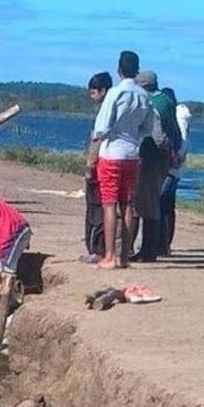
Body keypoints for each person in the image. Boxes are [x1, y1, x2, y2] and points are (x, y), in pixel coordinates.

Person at [91, 51, 154, 269]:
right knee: (127, 204)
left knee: (109, 204)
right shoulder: (144, 96)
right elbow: (148, 128)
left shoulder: (115, 93)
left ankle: (109, 255)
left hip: (112, 153)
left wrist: (98, 136)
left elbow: (103, 126)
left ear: (119, 70)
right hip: (131, 154)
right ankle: (124, 256)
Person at [131, 71, 180, 262]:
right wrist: (174, 153)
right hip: (163, 159)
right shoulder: (167, 102)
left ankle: (148, 250)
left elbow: (158, 136)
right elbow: (174, 131)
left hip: (152, 157)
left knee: (148, 202)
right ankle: (151, 248)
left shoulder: (153, 104)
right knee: (152, 201)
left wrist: (167, 151)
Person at [82, 72, 114, 263]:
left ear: (103, 91)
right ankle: (99, 248)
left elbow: (97, 141)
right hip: (107, 162)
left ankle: (97, 249)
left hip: (101, 165)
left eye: (94, 92)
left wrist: (90, 166)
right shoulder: (111, 109)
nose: (91, 96)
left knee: (96, 209)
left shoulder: (106, 113)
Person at [158, 87, 190, 255]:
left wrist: (176, 157)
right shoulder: (180, 115)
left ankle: (163, 244)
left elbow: (182, 139)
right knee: (168, 206)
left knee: (163, 205)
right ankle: (165, 244)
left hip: (171, 167)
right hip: (174, 168)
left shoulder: (178, 116)